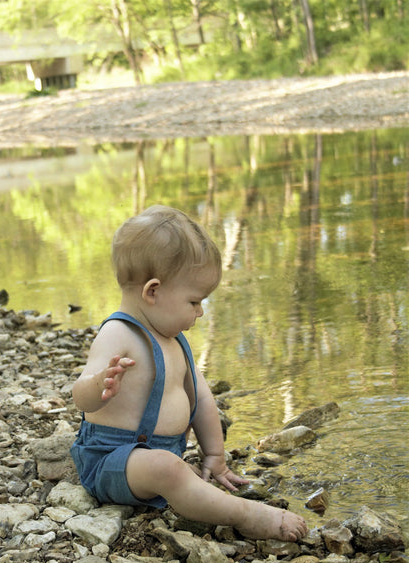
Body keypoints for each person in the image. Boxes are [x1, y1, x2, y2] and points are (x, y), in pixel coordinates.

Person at [71, 205, 307, 541]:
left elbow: (201, 400)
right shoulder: (118, 334)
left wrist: (215, 456)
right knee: (167, 469)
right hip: (110, 462)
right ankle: (244, 515)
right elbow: (80, 394)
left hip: (153, 461)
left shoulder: (174, 341)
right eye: (195, 302)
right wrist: (99, 385)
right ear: (153, 292)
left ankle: (190, 484)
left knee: (169, 467)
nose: (200, 312)